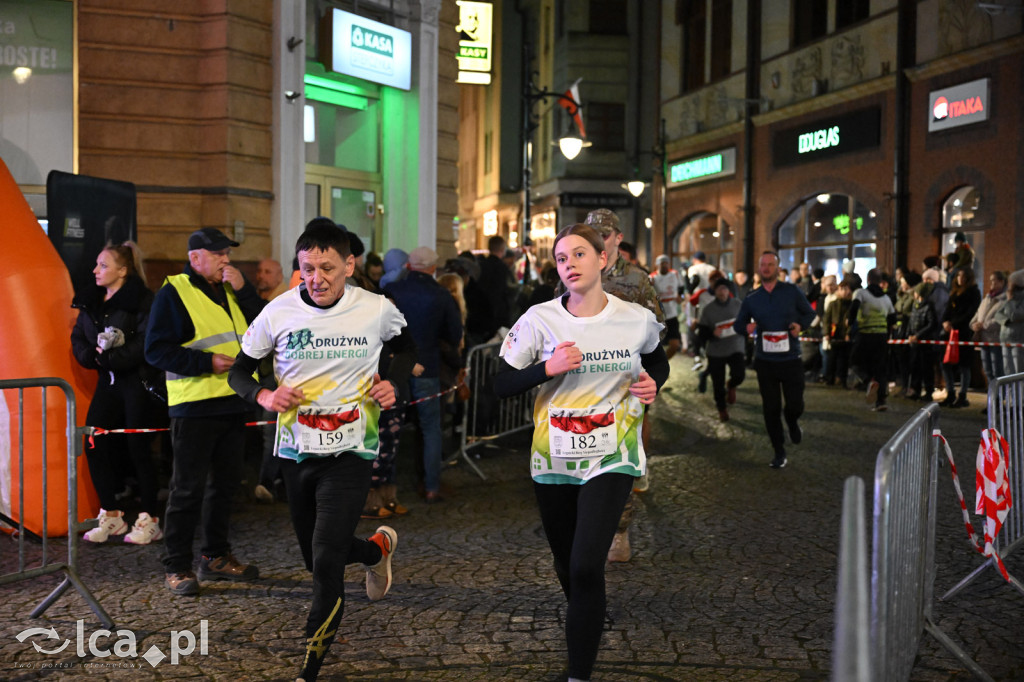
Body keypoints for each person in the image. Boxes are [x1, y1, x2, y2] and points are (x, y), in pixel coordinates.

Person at [227, 220, 405, 682]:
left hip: (353, 449)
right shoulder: (277, 312)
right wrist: (264, 396)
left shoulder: (377, 309)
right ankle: (375, 551)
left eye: (327, 267)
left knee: (325, 560)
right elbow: (240, 373)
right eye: (307, 268)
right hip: (296, 450)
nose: (317, 278)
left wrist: (392, 383)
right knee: (315, 553)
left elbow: (408, 349)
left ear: (349, 265)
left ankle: (311, 663)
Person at [493, 223, 669, 682]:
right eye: (562, 258)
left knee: (588, 564)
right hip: (554, 461)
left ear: (603, 260)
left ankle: (578, 673)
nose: (569, 264)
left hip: (613, 456)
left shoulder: (635, 318)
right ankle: (586, 615)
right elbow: (499, 383)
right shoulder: (540, 319)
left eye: (579, 255)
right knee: (567, 563)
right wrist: (545, 368)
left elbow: (658, 360)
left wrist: (654, 384)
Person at [144, 227, 265, 595]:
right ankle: (176, 566)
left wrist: (245, 289)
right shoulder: (174, 292)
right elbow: (156, 350)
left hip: (233, 400)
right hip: (194, 405)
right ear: (195, 258)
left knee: (226, 486)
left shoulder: (231, 288)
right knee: (187, 490)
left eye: (227, 253)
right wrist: (204, 361)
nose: (226, 259)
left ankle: (215, 556)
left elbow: (263, 325)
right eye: (218, 254)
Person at [72, 241, 163, 545]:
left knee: (138, 448)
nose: (95, 270)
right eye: (97, 264)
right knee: (94, 440)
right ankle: (111, 514)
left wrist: (111, 357)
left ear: (122, 271)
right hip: (106, 382)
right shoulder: (91, 301)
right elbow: (78, 337)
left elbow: (145, 344)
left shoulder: (143, 300)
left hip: (135, 382)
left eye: (104, 265)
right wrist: (94, 357)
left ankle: (150, 518)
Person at [385, 246, 464, 503]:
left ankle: (386, 487)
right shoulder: (441, 295)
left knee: (389, 428)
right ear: (433, 268)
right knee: (431, 428)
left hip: (394, 368)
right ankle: (431, 485)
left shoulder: (393, 291)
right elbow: (454, 334)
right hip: (427, 367)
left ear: (409, 266)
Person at [733, 251, 815, 469]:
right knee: (770, 408)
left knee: (795, 404)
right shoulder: (752, 297)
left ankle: (793, 420)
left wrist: (800, 326)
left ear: (778, 268)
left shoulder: (792, 291)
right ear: (759, 269)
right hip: (765, 361)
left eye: (771, 264)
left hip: (791, 359)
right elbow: (738, 324)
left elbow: (809, 314)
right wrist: (746, 327)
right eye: (763, 265)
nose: (767, 268)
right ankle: (779, 452)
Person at [846, 268, 896, 411]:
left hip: (865, 335)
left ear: (868, 280)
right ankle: (881, 401)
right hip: (881, 337)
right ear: (880, 282)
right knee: (880, 368)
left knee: (854, 362)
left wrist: (849, 322)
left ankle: (869, 381)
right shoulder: (887, 299)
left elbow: (853, 308)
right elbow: (892, 319)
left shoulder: (860, 293)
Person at [697, 278, 745, 421]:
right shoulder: (708, 310)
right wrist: (712, 333)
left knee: (739, 375)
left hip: (736, 346)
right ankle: (722, 408)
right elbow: (702, 332)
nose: (722, 292)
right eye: (719, 289)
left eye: (724, 289)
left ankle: (731, 384)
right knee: (717, 382)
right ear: (715, 291)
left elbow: (746, 322)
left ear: (729, 290)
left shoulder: (738, 305)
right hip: (716, 350)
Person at [940, 266, 982, 408]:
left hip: (963, 332)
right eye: (958, 276)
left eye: (963, 276)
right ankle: (950, 392)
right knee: (945, 362)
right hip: (950, 333)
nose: (960, 279)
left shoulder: (974, 292)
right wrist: (945, 322)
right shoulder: (954, 293)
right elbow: (947, 310)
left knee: (964, 364)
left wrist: (954, 323)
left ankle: (962, 395)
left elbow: (971, 313)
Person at [970, 271, 1008, 390]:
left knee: (997, 370)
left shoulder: (1004, 300)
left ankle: (999, 399)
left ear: (1001, 282)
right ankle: (992, 399)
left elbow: (1000, 319)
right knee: (987, 371)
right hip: (984, 339)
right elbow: (977, 315)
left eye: (994, 280)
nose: (991, 283)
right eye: (990, 280)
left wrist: (983, 325)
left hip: (995, 339)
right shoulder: (986, 298)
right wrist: (973, 325)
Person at [906, 281, 941, 402]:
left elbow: (932, 324)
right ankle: (915, 390)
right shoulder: (915, 305)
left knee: (926, 368)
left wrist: (918, 335)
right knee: (915, 366)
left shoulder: (929, 306)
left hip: (925, 343)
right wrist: (910, 335)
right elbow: (911, 321)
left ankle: (928, 391)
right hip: (915, 342)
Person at [480, 235, 517, 330]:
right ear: (502, 249)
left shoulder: (482, 265)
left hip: (482, 314)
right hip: (499, 317)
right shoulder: (502, 268)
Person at [650, 255, 683, 360]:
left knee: (675, 345)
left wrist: (680, 297)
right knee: (654, 347)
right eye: (662, 263)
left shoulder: (675, 274)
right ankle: (656, 367)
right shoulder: (652, 277)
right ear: (657, 265)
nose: (664, 265)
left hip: (672, 314)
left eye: (666, 263)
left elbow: (682, 288)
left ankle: (663, 362)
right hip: (658, 316)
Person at [822, 278, 854, 388]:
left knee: (844, 360)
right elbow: (827, 318)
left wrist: (848, 333)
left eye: (846, 289)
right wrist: (826, 333)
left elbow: (853, 321)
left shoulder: (852, 305)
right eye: (842, 289)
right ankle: (830, 379)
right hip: (834, 335)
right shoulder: (833, 304)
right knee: (832, 359)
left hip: (845, 336)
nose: (844, 292)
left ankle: (842, 380)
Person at [995, 270, 1024, 375]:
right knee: (1007, 371)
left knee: (1018, 371)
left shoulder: (1017, 299)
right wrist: (1006, 321)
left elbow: (1015, 315)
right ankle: (1010, 392)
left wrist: (1010, 300)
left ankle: (1020, 391)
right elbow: (997, 314)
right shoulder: (1009, 298)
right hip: (1005, 339)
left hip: (1018, 340)